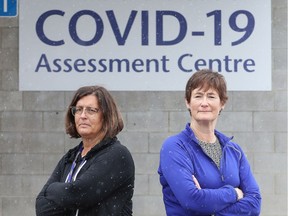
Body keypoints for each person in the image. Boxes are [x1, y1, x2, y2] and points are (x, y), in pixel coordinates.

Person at [158, 69, 261, 216]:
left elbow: (255, 203)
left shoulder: (234, 150)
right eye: (198, 96)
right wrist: (233, 193)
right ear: (188, 102)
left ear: (222, 103)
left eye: (211, 96)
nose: (204, 103)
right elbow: (192, 200)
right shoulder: (175, 147)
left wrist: (210, 210)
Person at [36, 85, 135, 216]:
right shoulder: (71, 157)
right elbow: (42, 206)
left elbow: (78, 194)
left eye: (91, 110)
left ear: (106, 116)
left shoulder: (116, 155)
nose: (83, 116)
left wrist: (51, 189)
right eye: (78, 110)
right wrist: (65, 194)